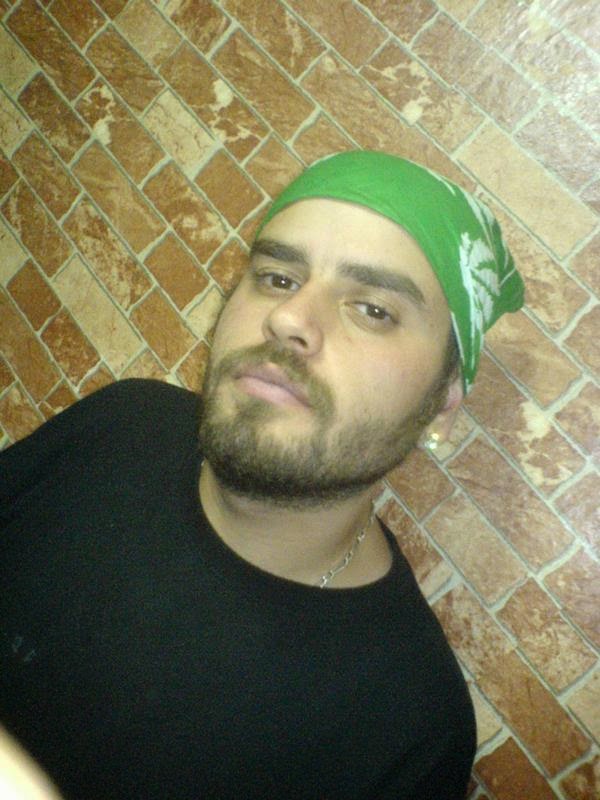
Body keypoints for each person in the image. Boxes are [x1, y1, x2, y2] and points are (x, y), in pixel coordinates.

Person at [0, 151, 524, 799]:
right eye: (277, 278)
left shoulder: (406, 731)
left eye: (373, 309)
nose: (290, 317)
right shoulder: (123, 422)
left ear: (442, 400)